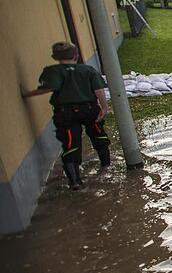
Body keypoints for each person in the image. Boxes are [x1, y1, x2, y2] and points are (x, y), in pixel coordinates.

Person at [21, 42, 111, 189]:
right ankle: (106, 167)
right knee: (98, 134)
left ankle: (75, 181)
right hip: (89, 109)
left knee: (70, 142)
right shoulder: (87, 70)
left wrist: (27, 94)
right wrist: (104, 107)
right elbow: (98, 89)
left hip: (65, 113)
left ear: (54, 56)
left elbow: (49, 87)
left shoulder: (53, 71)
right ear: (76, 55)